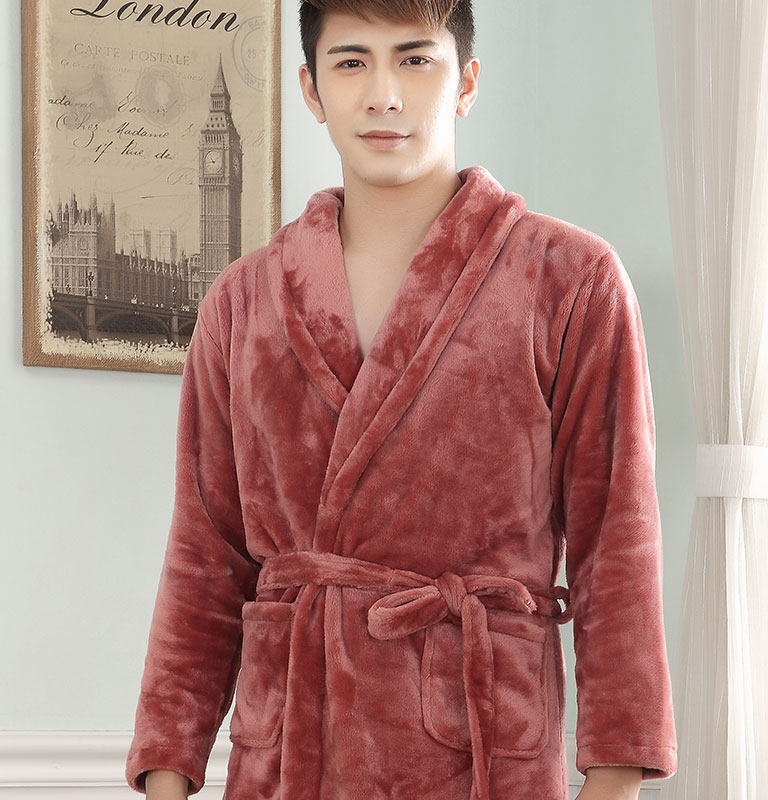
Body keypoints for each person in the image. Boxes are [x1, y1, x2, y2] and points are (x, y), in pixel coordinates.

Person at [126, 1, 678, 798]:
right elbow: (204, 556)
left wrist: (616, 779)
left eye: (415, 60)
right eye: (352, 62)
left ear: (467, 83)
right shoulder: (243, 302)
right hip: (289, 758)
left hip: (481, 753)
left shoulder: (571, 280)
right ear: (312, 90)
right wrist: (167, 774)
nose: (384, 94)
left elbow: (616, 543)